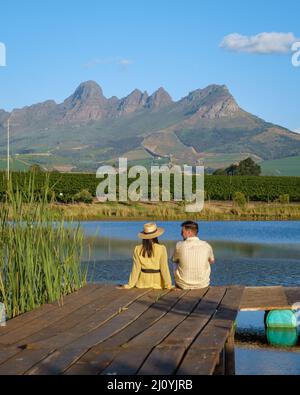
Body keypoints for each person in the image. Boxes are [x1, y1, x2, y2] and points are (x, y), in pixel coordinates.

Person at [122, 223, 173, 290]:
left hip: (142, 283)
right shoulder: (161, 248)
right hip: (158, 284)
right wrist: (168, 285)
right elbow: (164, 268)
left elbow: (136, 269)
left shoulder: (137, 249)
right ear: (156, 236)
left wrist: (130, 285)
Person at [172, 221, 215, 290]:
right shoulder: (207, 245)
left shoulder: (179, 245)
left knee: (174, 261)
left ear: (189, 232)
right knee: (207, 261)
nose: (181, 234)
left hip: (183, 285)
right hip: (203, 284)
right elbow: (212, 261)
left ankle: (178, 284)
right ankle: (200, 280)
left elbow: (174, 260)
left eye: (182, 232)